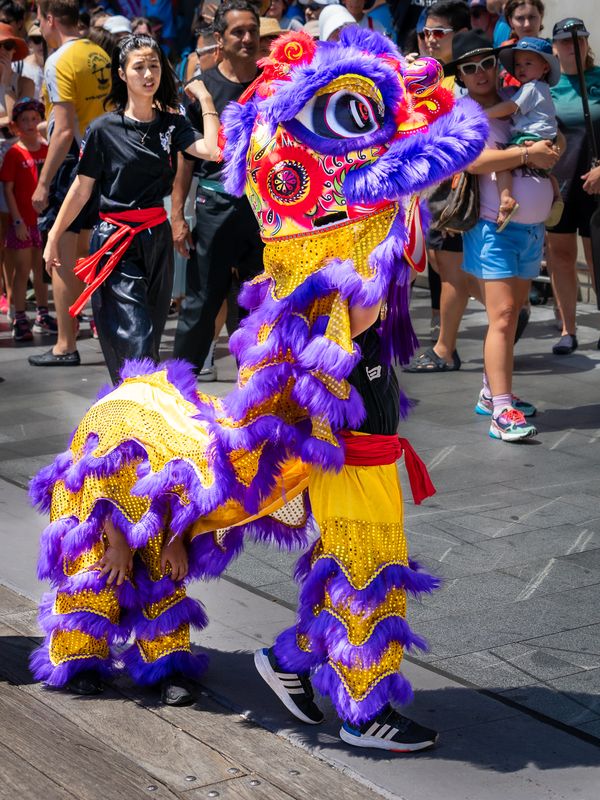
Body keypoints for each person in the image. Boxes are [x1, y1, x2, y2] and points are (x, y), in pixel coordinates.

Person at [29, 26, 487, 737]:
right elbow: (349, 307)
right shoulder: (316, 274)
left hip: (365, 429)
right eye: (348, 117)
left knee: (365, 559)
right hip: (339, 437)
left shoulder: (352, 246)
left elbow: (406, 207)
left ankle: (304, 664)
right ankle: (356, 708)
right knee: (366, 563)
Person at [42, 35, 220, 385]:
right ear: (122, 74)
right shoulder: (103, 129)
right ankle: (137, 410)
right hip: (116, 243)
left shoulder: (171, 125)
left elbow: (213, 150)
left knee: (149, 337)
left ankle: (140, 418)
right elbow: (81, 188)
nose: (148, 74)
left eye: (154, 65)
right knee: (135, 336)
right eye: (139, 67)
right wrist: (53, 234)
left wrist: (206, 97)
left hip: (156, 239)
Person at [446, 31, 559, 440]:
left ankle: (491, 392)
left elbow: (552, 136)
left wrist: (551, 147)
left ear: (498, 66)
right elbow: (475, 161)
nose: (480, 72)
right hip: (493, 228)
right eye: (469, 67)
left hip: (528, 228)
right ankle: (503, 409)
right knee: (504, 315)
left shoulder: (518, 101)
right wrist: (530, 153)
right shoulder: (465, 113)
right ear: (459, 74)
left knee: (515, 314)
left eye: (487, 63)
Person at [172, 0, 263, 380]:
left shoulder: (273, 84)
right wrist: (177, 215)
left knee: (258, 303)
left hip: (264, 211)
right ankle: (178, 388)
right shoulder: (201, 89)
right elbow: (185, 160)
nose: (246, 38)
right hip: (214, 206)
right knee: (201, 301)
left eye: (252, 31)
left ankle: (257, 389)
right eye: (237, 32)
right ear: (219, 40)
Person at [29, 0, 111, 369]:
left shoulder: (58, 60)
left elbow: (62, 131)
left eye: (39, 20)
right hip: (105, 163)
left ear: (49, 20)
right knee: (84, 255)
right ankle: (95, 331)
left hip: (72, 165)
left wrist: (43, 183)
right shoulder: (100, 52)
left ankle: (65, 343)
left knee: (60, 256)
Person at [405, 0, 474, 373]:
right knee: (436, 262)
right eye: (425, 33)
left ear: (457, 35)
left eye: (438, 33)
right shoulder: (421, 76)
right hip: (424, 187)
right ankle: (442, 341)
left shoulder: (462, 79)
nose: (429, 41)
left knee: (448, 267)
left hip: (452, 188)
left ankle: (445, 349)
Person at [547, 17, 600, 355]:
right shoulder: (545, 86)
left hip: (597, 185)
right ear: (554, 48)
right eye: (565, 40)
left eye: (578, 38)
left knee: (598, 259)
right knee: (561, 258)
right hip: (560, 186)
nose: (572, 45)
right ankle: (568, 329)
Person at [486, 36, 562, 229]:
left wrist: (484, 114)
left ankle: (506, 200)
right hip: (546, 138)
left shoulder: (532, 87)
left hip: (531, 137)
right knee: (544, 171)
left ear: (545, 67)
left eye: (528, 63)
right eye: (518, 64)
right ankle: (556, 195)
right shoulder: (542, 88)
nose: (521, 68)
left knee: (503, 163)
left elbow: (510, 107)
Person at [0, 97, 55, 342]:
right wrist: (18, 221)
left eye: (35, 119)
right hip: (22, 222)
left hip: (42, 222)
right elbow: (8, 190)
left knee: (42, 270)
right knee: (21, 270)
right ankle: (19, 315)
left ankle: (43, 313)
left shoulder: (47, 150)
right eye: (25, 120)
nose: (31, 124)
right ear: (15, 126)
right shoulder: (13, 153)